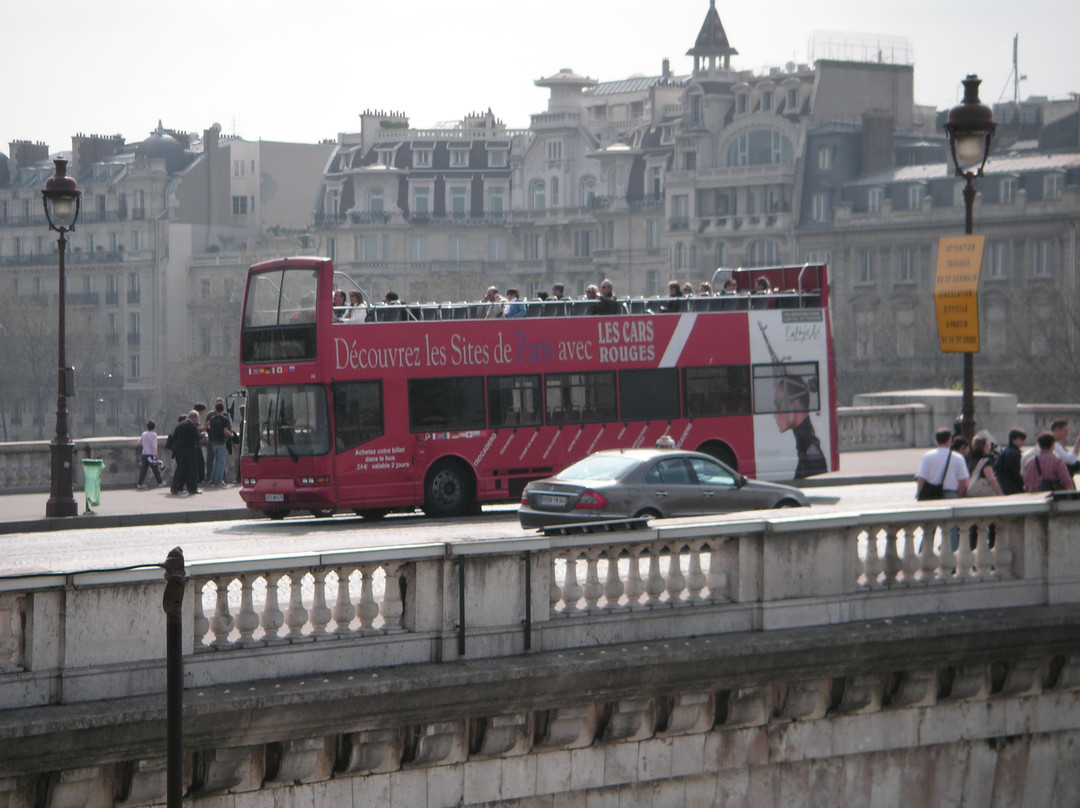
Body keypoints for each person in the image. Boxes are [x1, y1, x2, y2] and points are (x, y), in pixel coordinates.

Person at [916, 427, 970, 500]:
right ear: (949, 440)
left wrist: (919, 494)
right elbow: (962, 481)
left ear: (936, 441)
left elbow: (921, 479)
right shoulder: (958, 458)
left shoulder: (927, 456)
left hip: (932, 494)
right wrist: (961, 496)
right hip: (951, 494)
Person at [169, 410, 203, 496]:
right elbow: (197, 437)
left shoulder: (180, 425)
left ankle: (174, 488)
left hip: (179, 450)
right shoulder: (191, 425)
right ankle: (192, 489)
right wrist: (202, 435)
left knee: (179, 469)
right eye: (197, 418)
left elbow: (174, 437)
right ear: (194, 418)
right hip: (190, 450)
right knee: (192, 470)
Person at [206, 401, 234, 487]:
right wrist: (231, 435)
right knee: (221, 462)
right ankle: (218, 480)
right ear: (223, 410)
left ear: (215, 409)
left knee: (215, 461)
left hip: (213, 441)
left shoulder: (212, 419)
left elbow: (206, 427)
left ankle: (212, 478)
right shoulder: (225, 419)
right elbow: (225, 431)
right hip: (221, 442)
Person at [993, 428, 1027, 495]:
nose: (1023, 442)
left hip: (1003, 484)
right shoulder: (1014, 453)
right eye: (1021, 439)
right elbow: (1017, 472)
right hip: (1013, 486)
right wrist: (1023, 484)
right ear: (1014, 439)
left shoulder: (1005, 452)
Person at [135, 420, 164, 489]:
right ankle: (160, 482)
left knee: (144, 470)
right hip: (151, 455)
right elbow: (154, 446)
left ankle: (140, 483)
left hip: (144, 454)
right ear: (153, 427)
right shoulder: (154, 435)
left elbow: (139, 442)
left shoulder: (144, 434)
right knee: (155, 469)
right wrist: (155, 454)